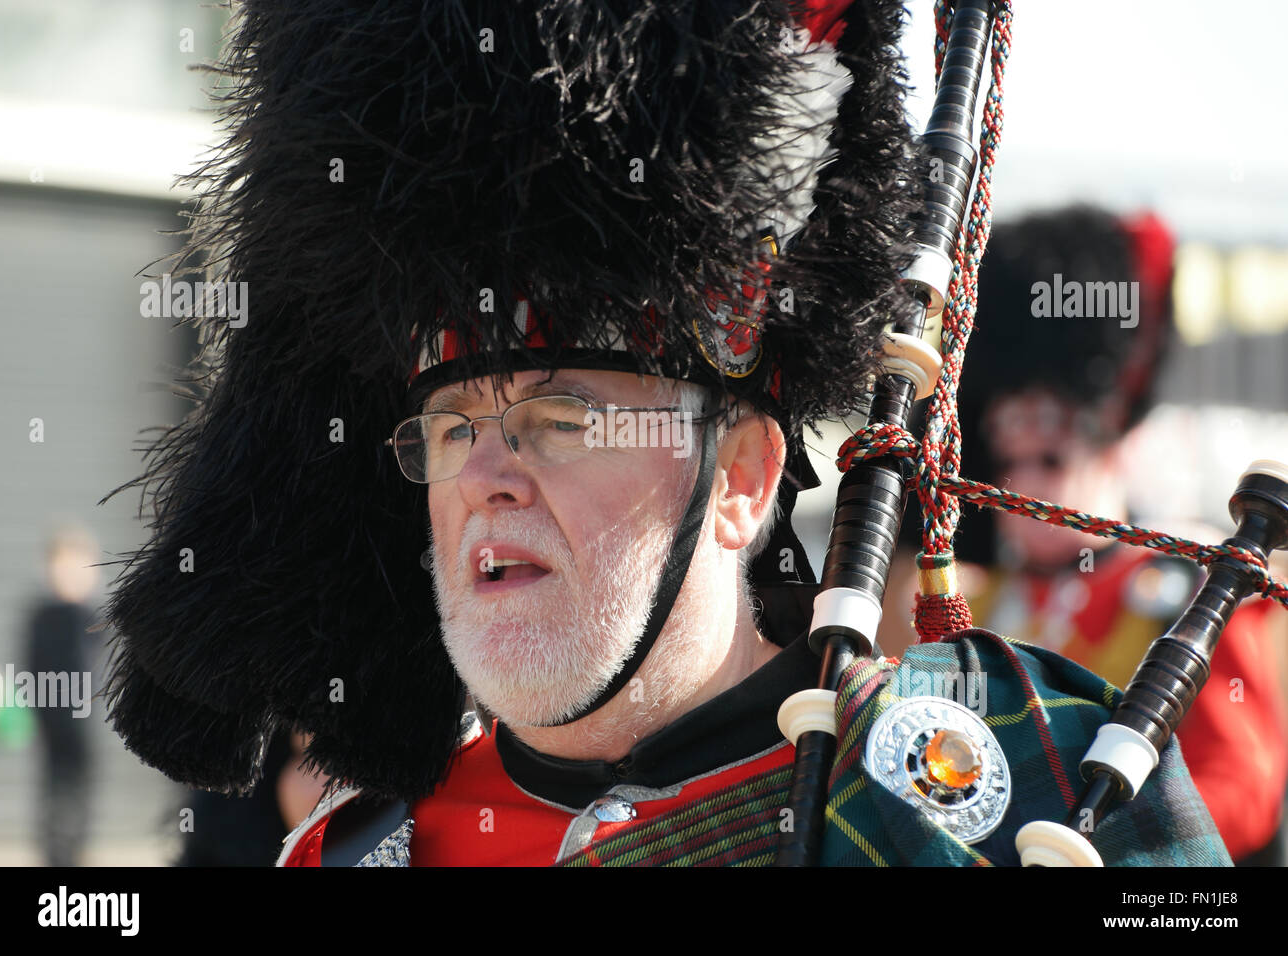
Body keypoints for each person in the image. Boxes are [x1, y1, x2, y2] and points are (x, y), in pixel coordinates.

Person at [101, 1, 1230, 867]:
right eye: (448, 432)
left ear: (739, 476)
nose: (485, 476)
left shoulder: (1029, 772)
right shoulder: (346, 850)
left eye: (557, 419)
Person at [956, 206, 1288, 864]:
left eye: (1047, 462)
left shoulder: (1190, 587)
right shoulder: (982, 605)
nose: (1020, 487)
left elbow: (1245, 787)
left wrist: (1107, 842)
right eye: (1007, 465)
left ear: (1109, 444)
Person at [23, 526, 103, 867]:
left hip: (83, 719)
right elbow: (34, 663)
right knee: (57, 788)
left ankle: (73, 849)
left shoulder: (89, 616)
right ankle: (57, 852)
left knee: (80, 788)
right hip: (54, 716)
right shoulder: (46, 615)